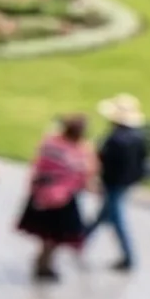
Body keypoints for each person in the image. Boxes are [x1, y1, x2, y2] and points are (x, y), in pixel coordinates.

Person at [17, 114, 95, 283]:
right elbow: (83, 174)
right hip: (59, 199)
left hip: (49, 196)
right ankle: (44, 262)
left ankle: (44, 261)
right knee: (55, 234)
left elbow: (39, 167)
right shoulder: (74, 151)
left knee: (50, 234)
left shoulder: (53, 144)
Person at [83, 94, 149, 270]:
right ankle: (79, 240)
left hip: (114, 183)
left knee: (116, 218)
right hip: (125, 182)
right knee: (104, 215)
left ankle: (128, 257)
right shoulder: (137, 137)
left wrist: (97, 179)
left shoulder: (116, 139)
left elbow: (103, 160)